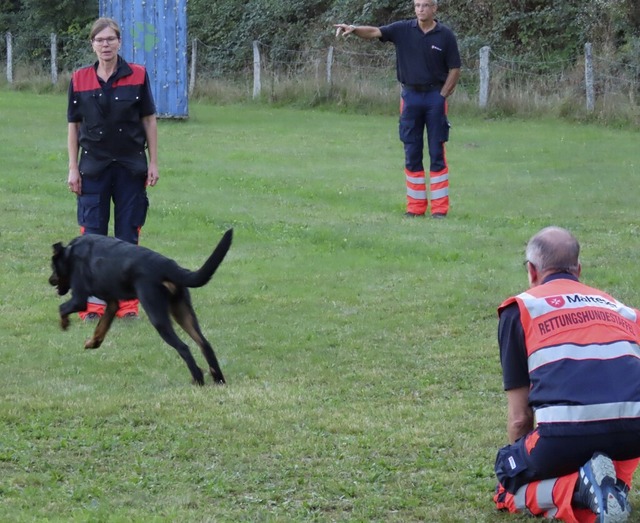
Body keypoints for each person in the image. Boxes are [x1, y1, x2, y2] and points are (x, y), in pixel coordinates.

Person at [494, 226, 640, 522]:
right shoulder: (624, 310)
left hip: (563, 435)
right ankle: (611, 487)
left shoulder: (521, 309)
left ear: (532, 271)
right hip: (633, 435)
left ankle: (577, 491)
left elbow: (520, 418)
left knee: (507, 484)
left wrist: (520, 472)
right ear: (579, 270)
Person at [67, 17, 159, 320]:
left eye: (110, 39)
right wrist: (73, 168)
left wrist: (154, 162)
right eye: (99, 40)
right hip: (93, 168)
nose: (105, 45)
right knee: (92, 237)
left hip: (130, 167)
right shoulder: (79, 79)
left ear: (119, 42)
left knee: (126, 236)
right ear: (92, 44)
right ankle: (92, 304)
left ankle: (126, 305)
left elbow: (148, 120)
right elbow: (73, 126)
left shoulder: (138, 75)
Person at [334, 0, 461, 218]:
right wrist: (354, 30)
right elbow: (374, 31)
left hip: (434, 97)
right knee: (412, 151)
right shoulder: (402, 29)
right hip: (410, 96)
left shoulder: (445, 35)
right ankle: (415, 208)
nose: (420, 9)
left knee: (436, 152)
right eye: (417, 5)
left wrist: (442, 96)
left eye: (425, 5)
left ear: (434, 9)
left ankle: (439, 210)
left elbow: (455, 68)